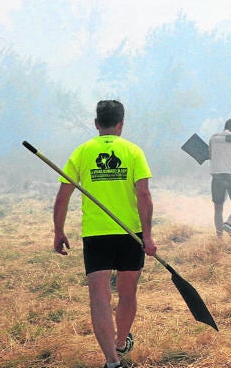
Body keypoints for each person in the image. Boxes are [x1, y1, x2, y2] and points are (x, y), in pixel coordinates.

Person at [53, 100, 157, 368]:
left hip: (96, 235)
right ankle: (121, 342)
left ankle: (112, 360)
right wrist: (148, 236)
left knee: (99, 297)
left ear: (97, 123)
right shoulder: (133, 151)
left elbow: (63, 196)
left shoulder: (83, 152)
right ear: (121, 124)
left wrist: (59, 231)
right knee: (127, 293)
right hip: (130, 234)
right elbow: (143, 195)